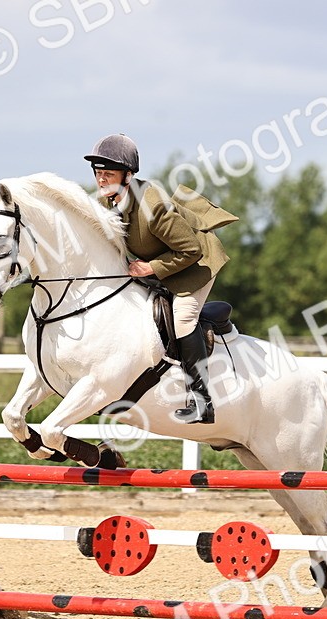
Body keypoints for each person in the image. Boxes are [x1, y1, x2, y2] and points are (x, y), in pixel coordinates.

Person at [85, 133, 236, 424]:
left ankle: (202, 400)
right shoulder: (106, 202)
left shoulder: (153, 208)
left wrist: (150, 267)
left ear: (128, 176)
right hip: (164, 260)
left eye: (108, 174)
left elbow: (190, 250)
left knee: (183, 317)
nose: (101, 180)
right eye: (98, 173)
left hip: (197, 262)